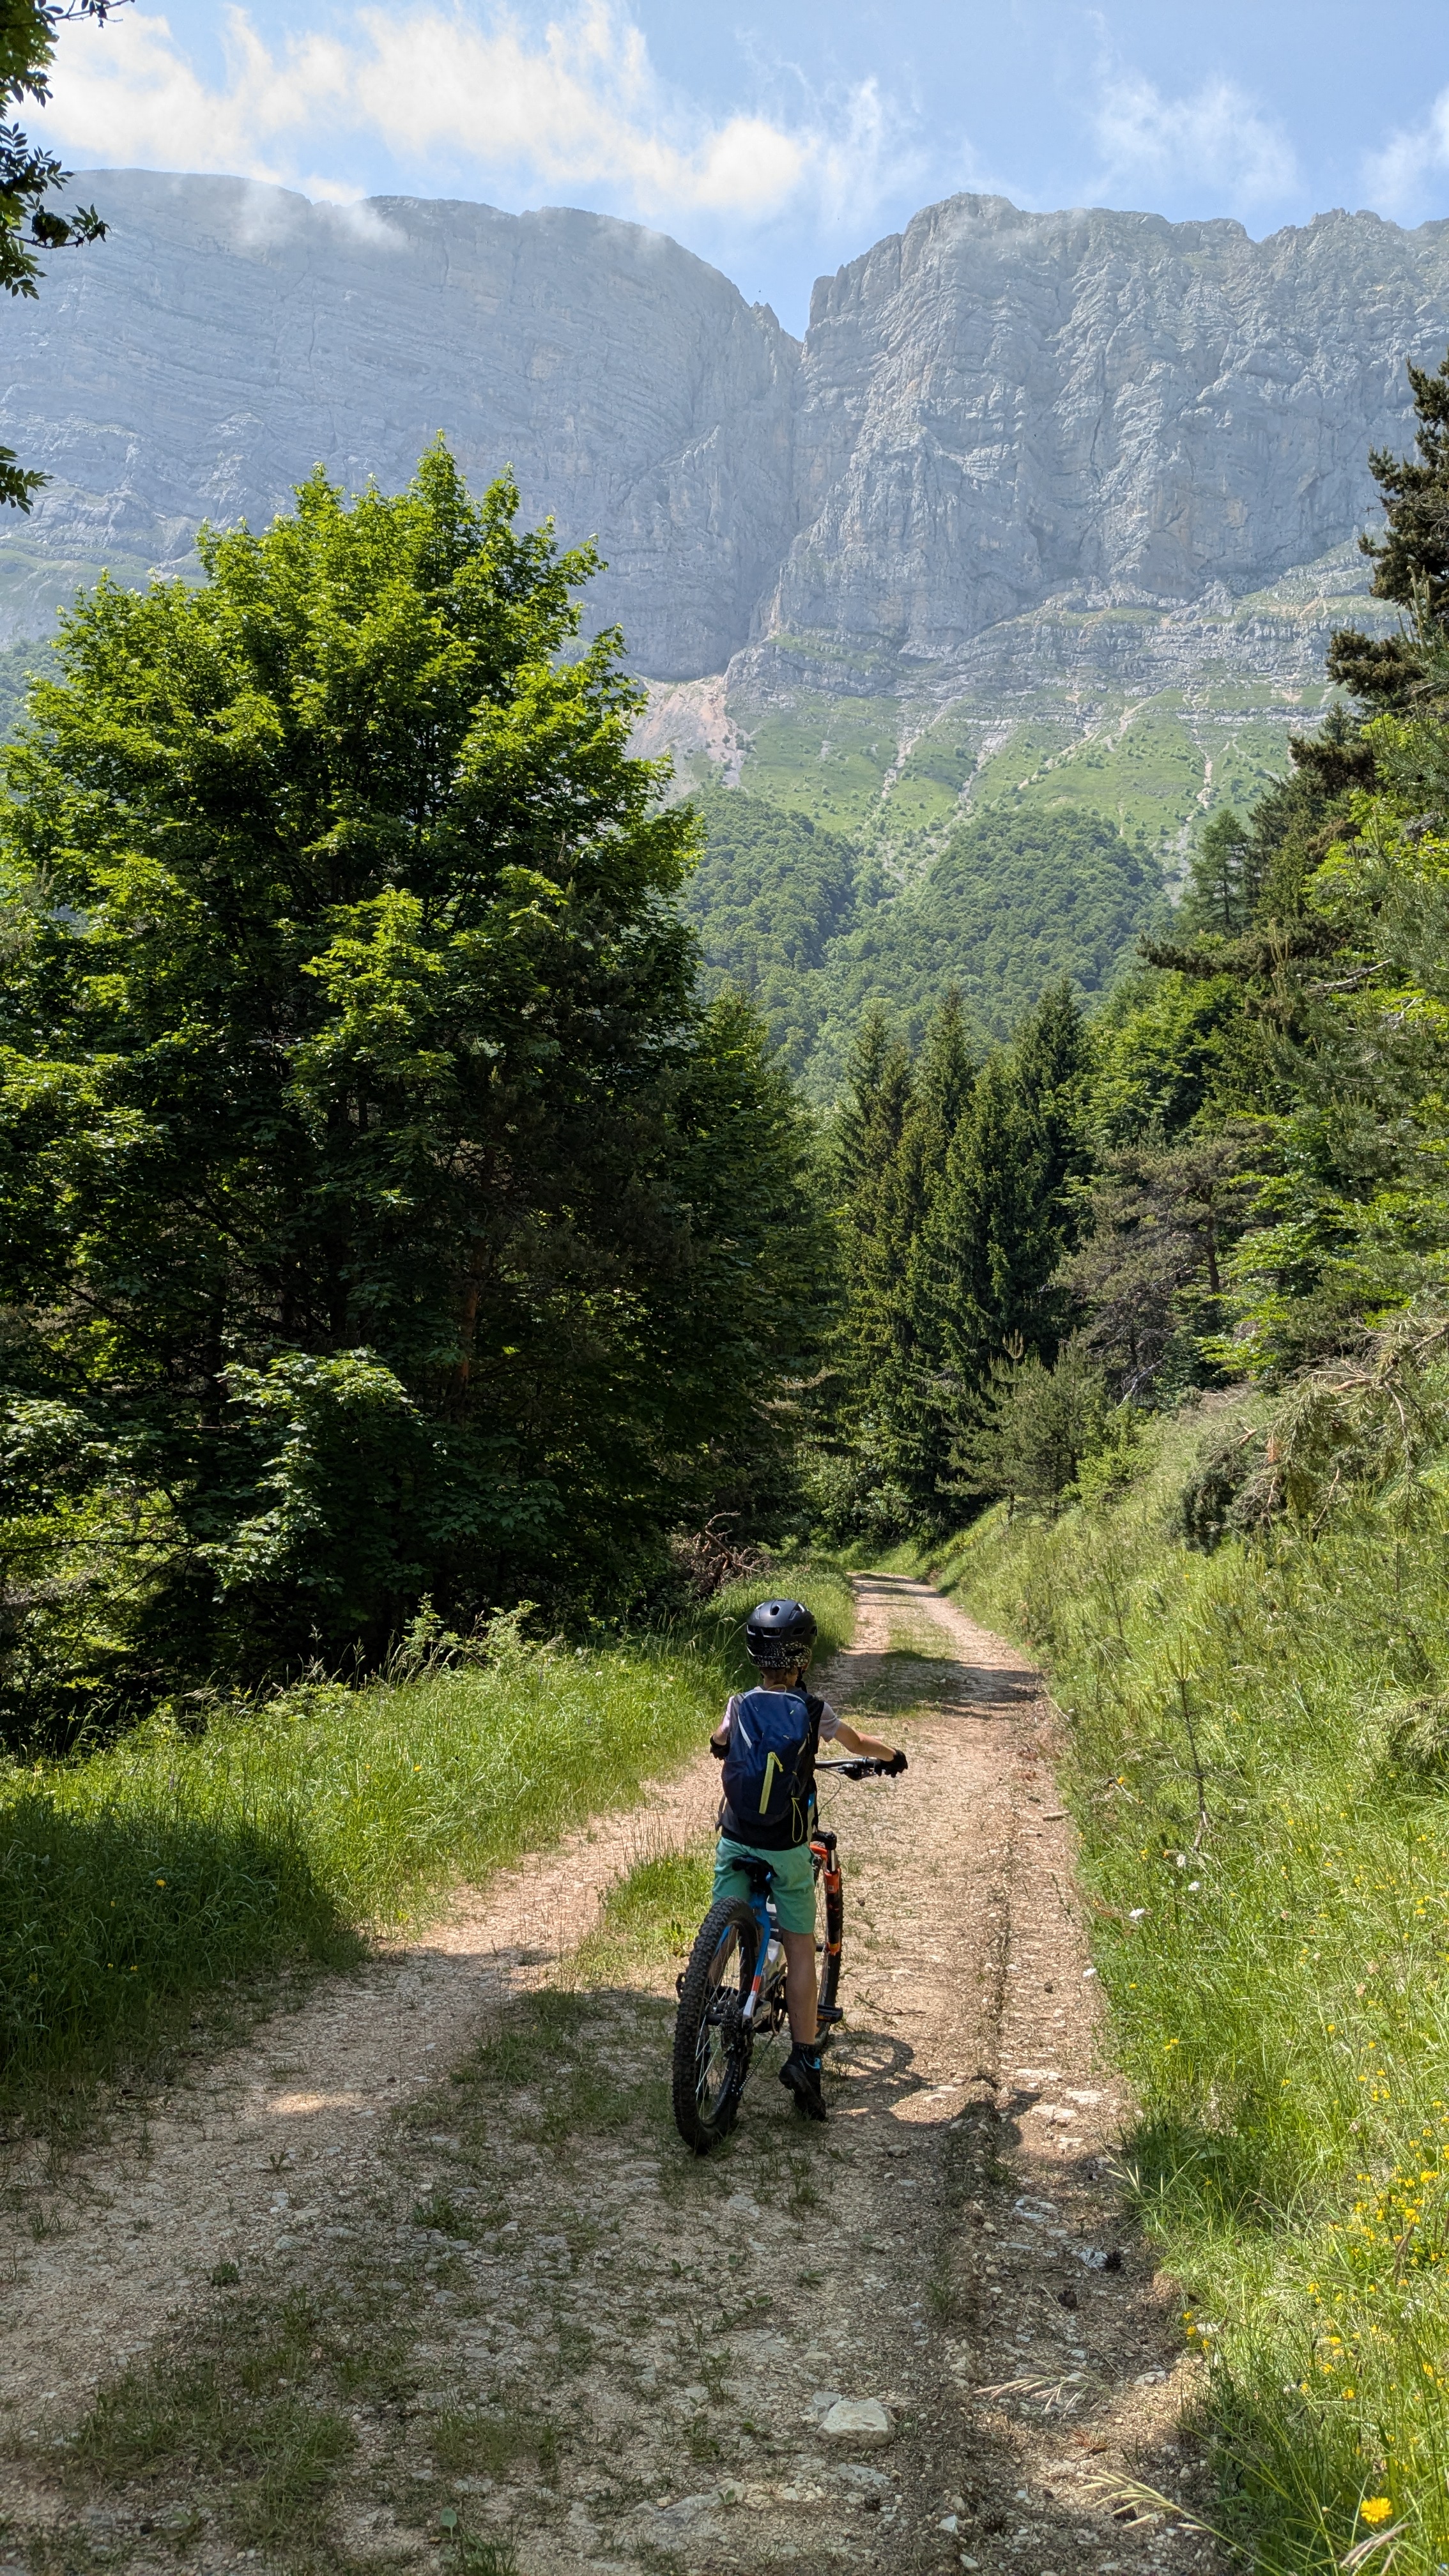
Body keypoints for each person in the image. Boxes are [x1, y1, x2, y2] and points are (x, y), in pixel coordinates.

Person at [710, 1597, 905, 2122]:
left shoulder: (738, 1702)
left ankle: (700, 2004)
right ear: (803, 1658)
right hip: (786, 1845)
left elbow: (719, 1743)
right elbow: (858, 1742)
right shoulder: (813, 1709)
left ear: (756, 1655)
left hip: (737, 1834)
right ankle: (804, 2059)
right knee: (799, 1946)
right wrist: (892, 1757)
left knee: (724, 1920)